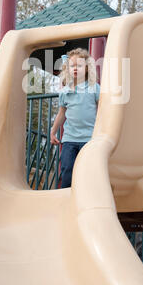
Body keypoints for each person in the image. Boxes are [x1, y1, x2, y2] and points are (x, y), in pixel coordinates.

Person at [51, 48, 100, 188]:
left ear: (86, 68)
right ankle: (67, 198)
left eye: (79, 65)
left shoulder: (94, 88)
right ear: (68, 69)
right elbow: (61, 113)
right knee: (67, 169)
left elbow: (102, 109)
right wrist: (53, 131)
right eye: (72, 66)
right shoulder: (65, 92)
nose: (75, 69)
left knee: (88, 171)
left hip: (89, 138)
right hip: (70, 139)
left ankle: (87, 198)